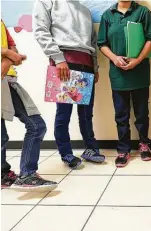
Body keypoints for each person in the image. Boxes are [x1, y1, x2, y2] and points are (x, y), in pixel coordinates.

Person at [33, 0, 105, 169]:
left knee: (86, 114)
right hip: (64, 62)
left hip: (86, 63)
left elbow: (93, 42)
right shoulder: (47, 2)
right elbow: (40, 30)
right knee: (64, 113)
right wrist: (58, 59)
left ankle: (91, 149)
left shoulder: (85, 11)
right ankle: (66, 153)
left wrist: (94, 67)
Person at [98, 1, 151, 167]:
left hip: (139, 71)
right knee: (121, 115)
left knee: (142, 112)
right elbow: (102, 43)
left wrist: (137, 60)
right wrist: (114, 58)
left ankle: (144, 143)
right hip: (118, 73)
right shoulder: (108, 15)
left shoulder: (143, 12)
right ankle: (123, 149)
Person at [1, 20, 57, 191]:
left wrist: (8, 60)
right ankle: (22, 174)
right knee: (31, 127)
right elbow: (10, 51)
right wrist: (6, 53)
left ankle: (17, 174)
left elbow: (13, 48)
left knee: (35, 125)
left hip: (7, 80)